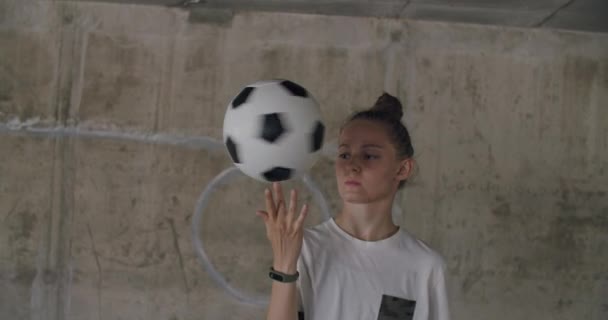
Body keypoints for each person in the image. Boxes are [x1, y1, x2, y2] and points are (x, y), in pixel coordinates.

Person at [256, 93, 450, 320]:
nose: (352, 166)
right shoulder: (305, 248)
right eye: (344, 154)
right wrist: (284, 264)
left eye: (369, 155)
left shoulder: (424, 266)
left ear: (402, 169)